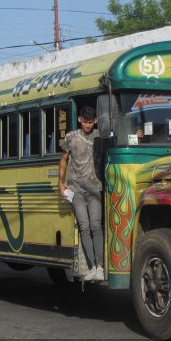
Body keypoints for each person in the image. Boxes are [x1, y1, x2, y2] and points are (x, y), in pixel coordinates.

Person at [59, 106, 104, 281]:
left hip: (94, 188)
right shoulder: (71, 137)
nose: (87, 125)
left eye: (90, 122)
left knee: (95, 226)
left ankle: (99, 268)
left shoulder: (100, 136)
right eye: (85, 122)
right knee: (84, 228)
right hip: (76, 190)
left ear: (96, 121)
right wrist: (61, 183)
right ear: (79, 120)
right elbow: (63, 160)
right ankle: (92, 266)